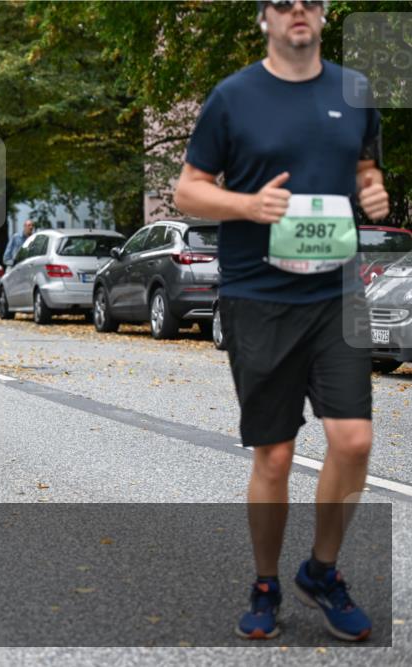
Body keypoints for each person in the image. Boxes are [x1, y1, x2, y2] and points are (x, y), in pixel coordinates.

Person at [173, 0, 389, 642]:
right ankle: (265, 583)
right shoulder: (233, 97)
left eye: (310, 0)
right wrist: (247, 203)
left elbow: (363, 165)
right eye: (282, 1)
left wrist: (371, 186)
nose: (298, 8)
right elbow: (188, 190)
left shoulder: (354, 91)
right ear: (264, 19)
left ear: (322, 15)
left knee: (352, 441)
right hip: (259, 297)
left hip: (334, 296)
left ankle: (322, 570)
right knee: (275, 454)